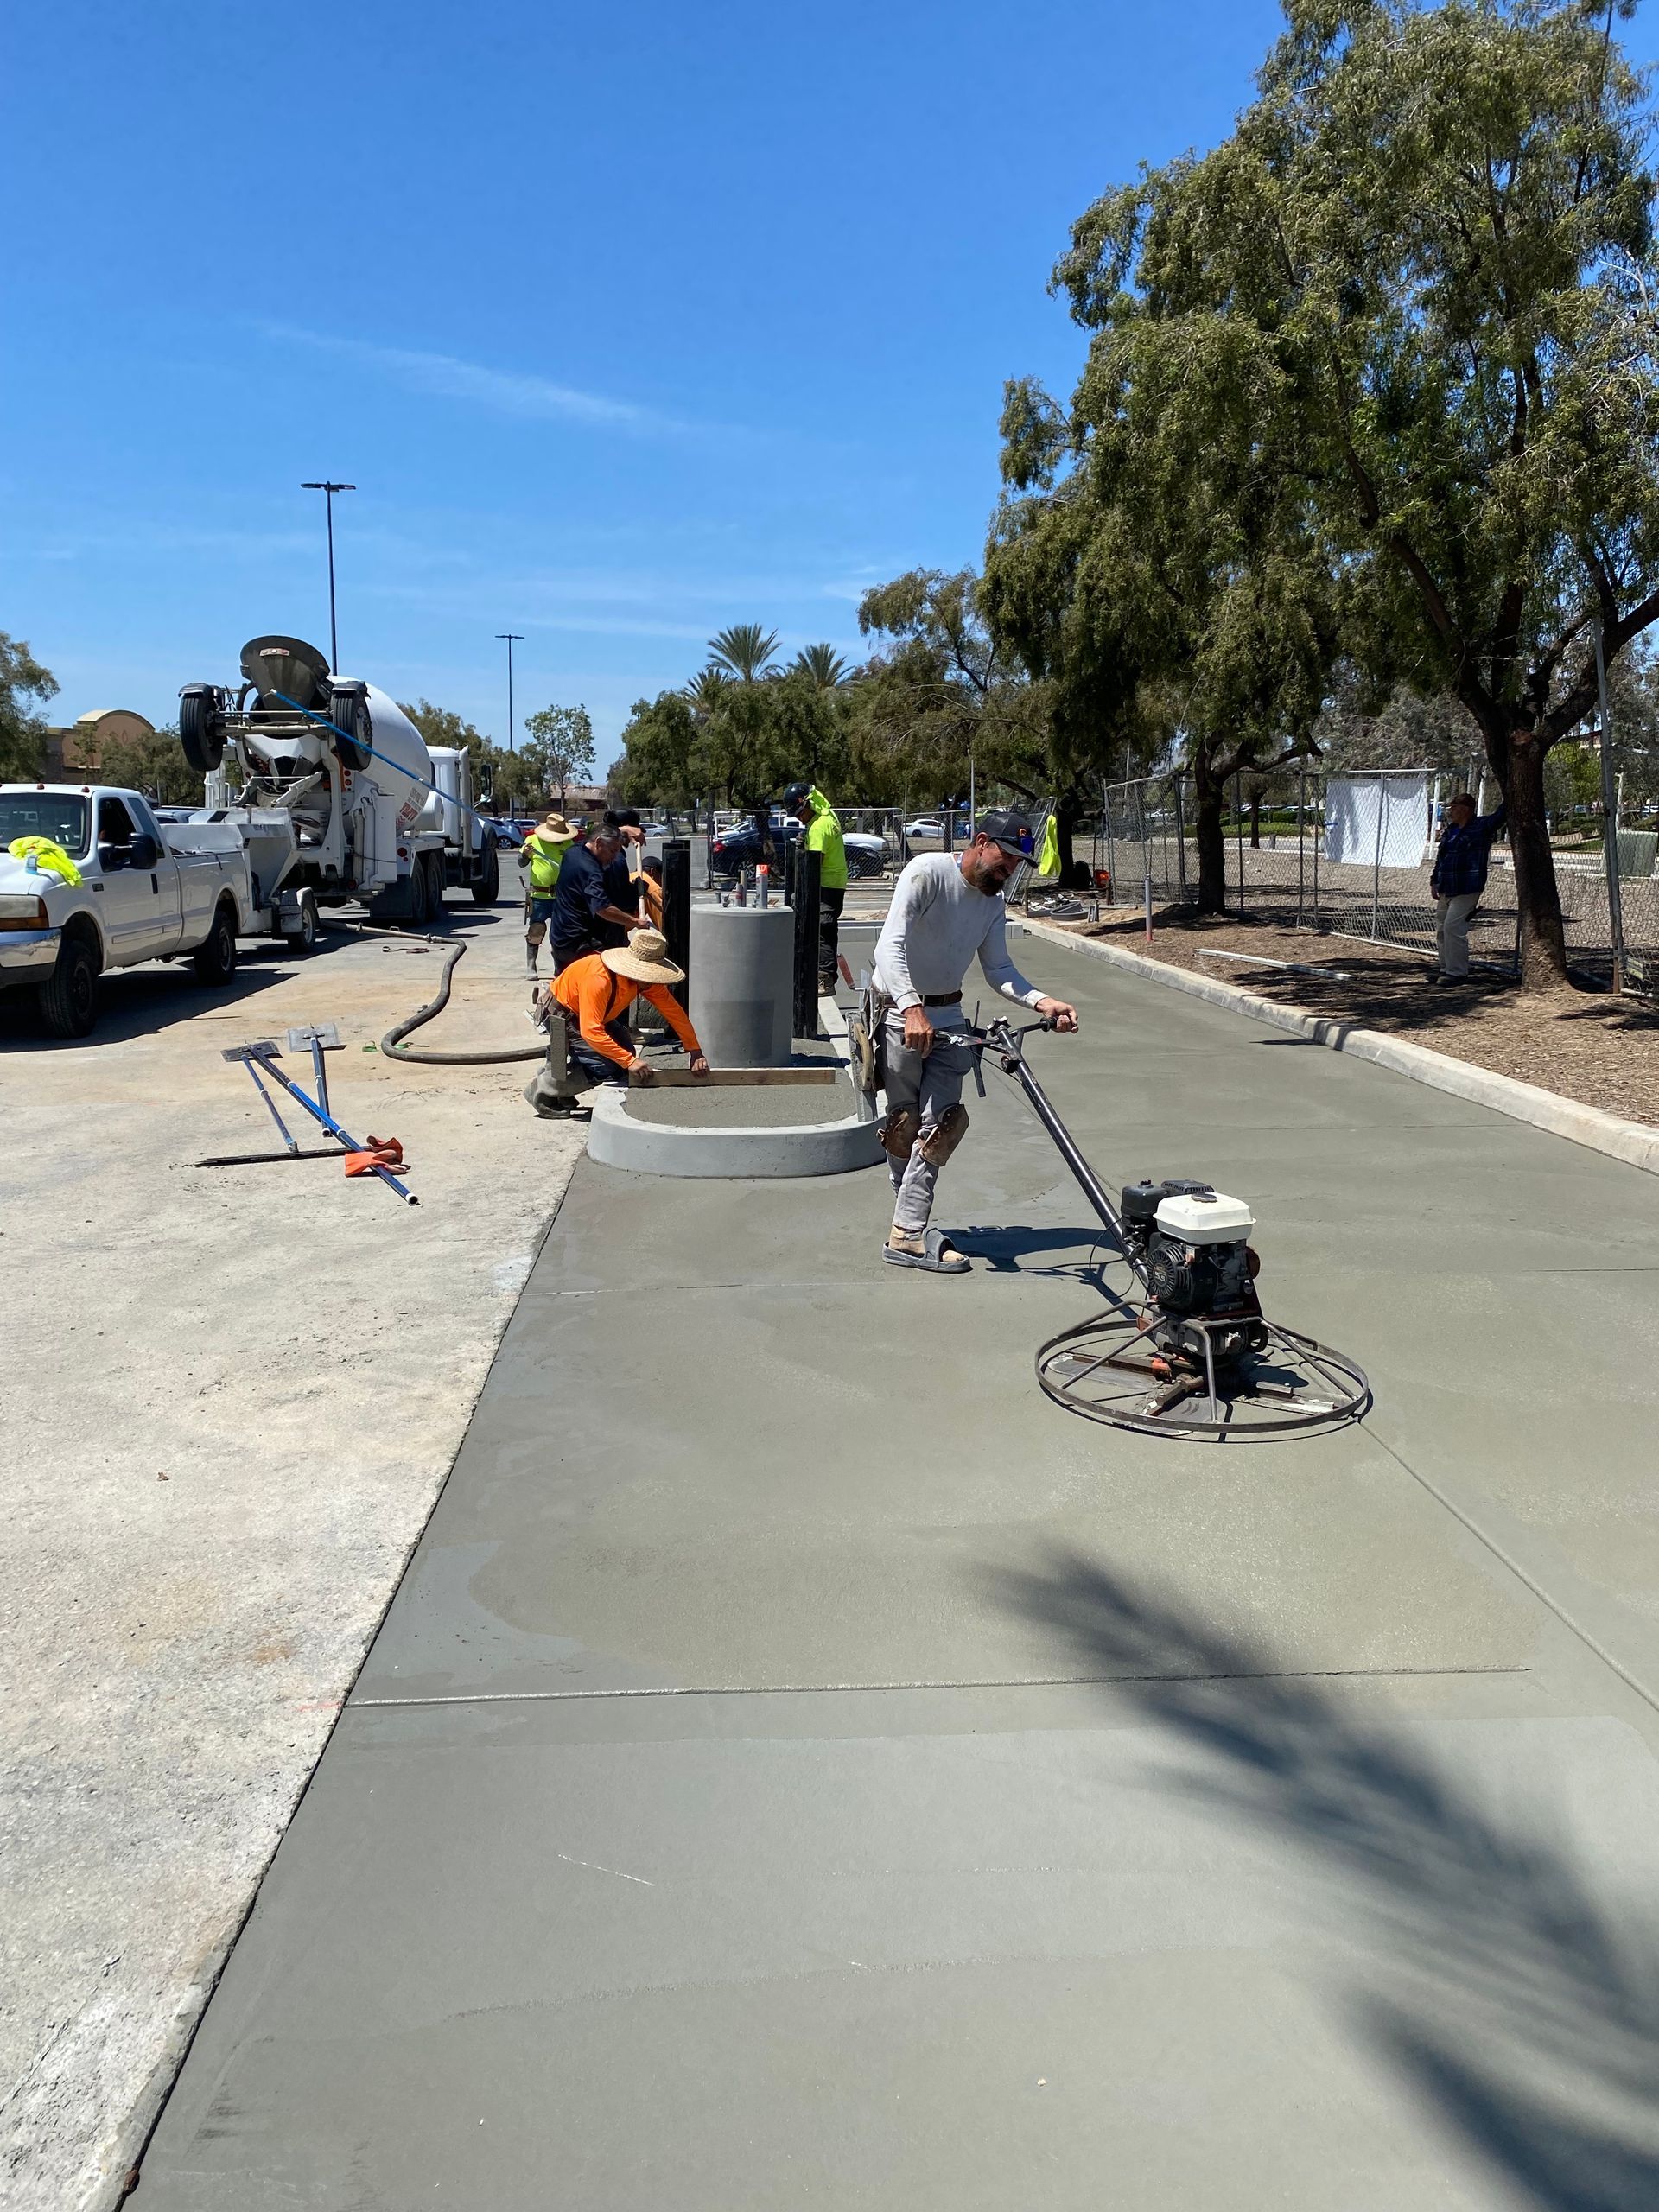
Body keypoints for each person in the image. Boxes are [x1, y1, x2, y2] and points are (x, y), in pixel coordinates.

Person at [870, 810, 1077, 1273]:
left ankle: (905, 1233)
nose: (1009, 872)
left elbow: (999, 969)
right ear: (981, 842)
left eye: (1017, 866)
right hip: (898, 1015)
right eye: (1005, 860)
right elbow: (890, 946)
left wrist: (1043, 1002)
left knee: (940, 1124)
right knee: (904, 1125)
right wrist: (910, 1007)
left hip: (949, 1018)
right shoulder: (927, 873)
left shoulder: (991, 902)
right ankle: (910, 1225)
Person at [524, 928, 709, 1115]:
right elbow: (590, 1030)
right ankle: (544, 1090)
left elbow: (673, 1012)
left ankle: (559, 1082)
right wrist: (629, 1062)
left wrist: (694, 1050)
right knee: (608, 1066)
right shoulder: (599, 979)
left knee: (623, 1056)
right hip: (562, 1015)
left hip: (594, 1016)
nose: (652, 980)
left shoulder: (645, 982)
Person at [1430, 791, 1507, 985]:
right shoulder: (1450, 831)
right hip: (1447, 886)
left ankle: (1457, 973)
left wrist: (1510, 795)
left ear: (1465, 810)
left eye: (1454, 808)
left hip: (1467, 888)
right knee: (1441, 929)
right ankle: (1445, 968)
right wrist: (1434, 881)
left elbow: (1499, 816)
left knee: (1453, 927)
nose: (1451, 812)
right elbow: (1442, 858)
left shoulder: (1481, 827)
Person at [548, 822, 643, 975]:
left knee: (567, 987)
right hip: (580, 944)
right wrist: (636, 922)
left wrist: (623, 830)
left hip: (560, 937)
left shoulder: (574, 851)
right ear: (598, 843)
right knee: (609, 981)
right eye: (612, 851)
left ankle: (555, 992)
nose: (614, 858)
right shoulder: (591, 870)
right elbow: (602, 908)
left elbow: (599, 832)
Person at [783, 779, 849, 993]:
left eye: (801, 813)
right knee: (821, 929)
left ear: (809, 804)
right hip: (834, 883)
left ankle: (824, 979)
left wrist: (803, 855)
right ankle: (819, 974)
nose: (800, 819)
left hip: (826, 884)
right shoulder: (826, 815)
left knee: (823, 931)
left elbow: (815, 863)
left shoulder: (819, 827)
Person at [519, 810, 577, 981]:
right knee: (536, 930)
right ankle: (531, 965)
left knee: (561, 934)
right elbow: (521, 863)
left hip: (562, 896)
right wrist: (525, 855)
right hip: (539, 895)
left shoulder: (569, 845)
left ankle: (559, 967)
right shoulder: (532, 841)